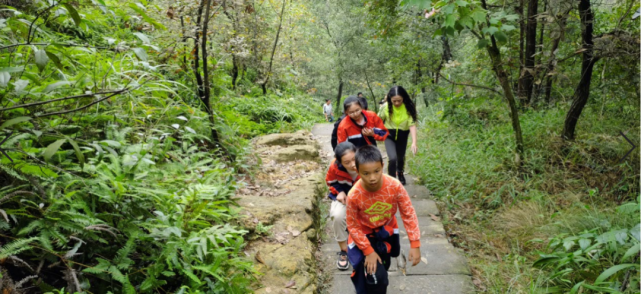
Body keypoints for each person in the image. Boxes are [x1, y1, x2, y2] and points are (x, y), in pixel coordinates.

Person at [346, 146, 422, 294]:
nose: (372, 177)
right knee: (377, 278)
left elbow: (408, 213)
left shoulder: (394, 186)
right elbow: (352, 225)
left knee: (384, 268)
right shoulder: (354, 195)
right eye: (366, 173)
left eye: (376, 171)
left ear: (382, 166)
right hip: (364, 236)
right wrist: (368, 251)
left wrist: (415, 242)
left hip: (386, 232)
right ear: (357, 171)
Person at [325, 142, 360, 270]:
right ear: (339, 162)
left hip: (364, 197)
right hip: (344, 197)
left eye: (354, 159)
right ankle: (344, 250)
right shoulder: (334, 167)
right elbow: (330, 181)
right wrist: (339, 192)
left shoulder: (366, 162)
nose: (352, 164)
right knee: (337, 216)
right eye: (347, 162)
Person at [378, 86, 418, 185]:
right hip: (389, 135)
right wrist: (377, 132)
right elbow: (377, 120)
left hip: (402, 135)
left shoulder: (408, 107)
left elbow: (412, 125)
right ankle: (391, 180)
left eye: (399, 101)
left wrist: (414, 142)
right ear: (390, 98)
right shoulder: (385, 107)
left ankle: (400, 172)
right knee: (392, 158)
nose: (396, 103)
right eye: (394, 101)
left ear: (403, 98)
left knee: (400, 157)